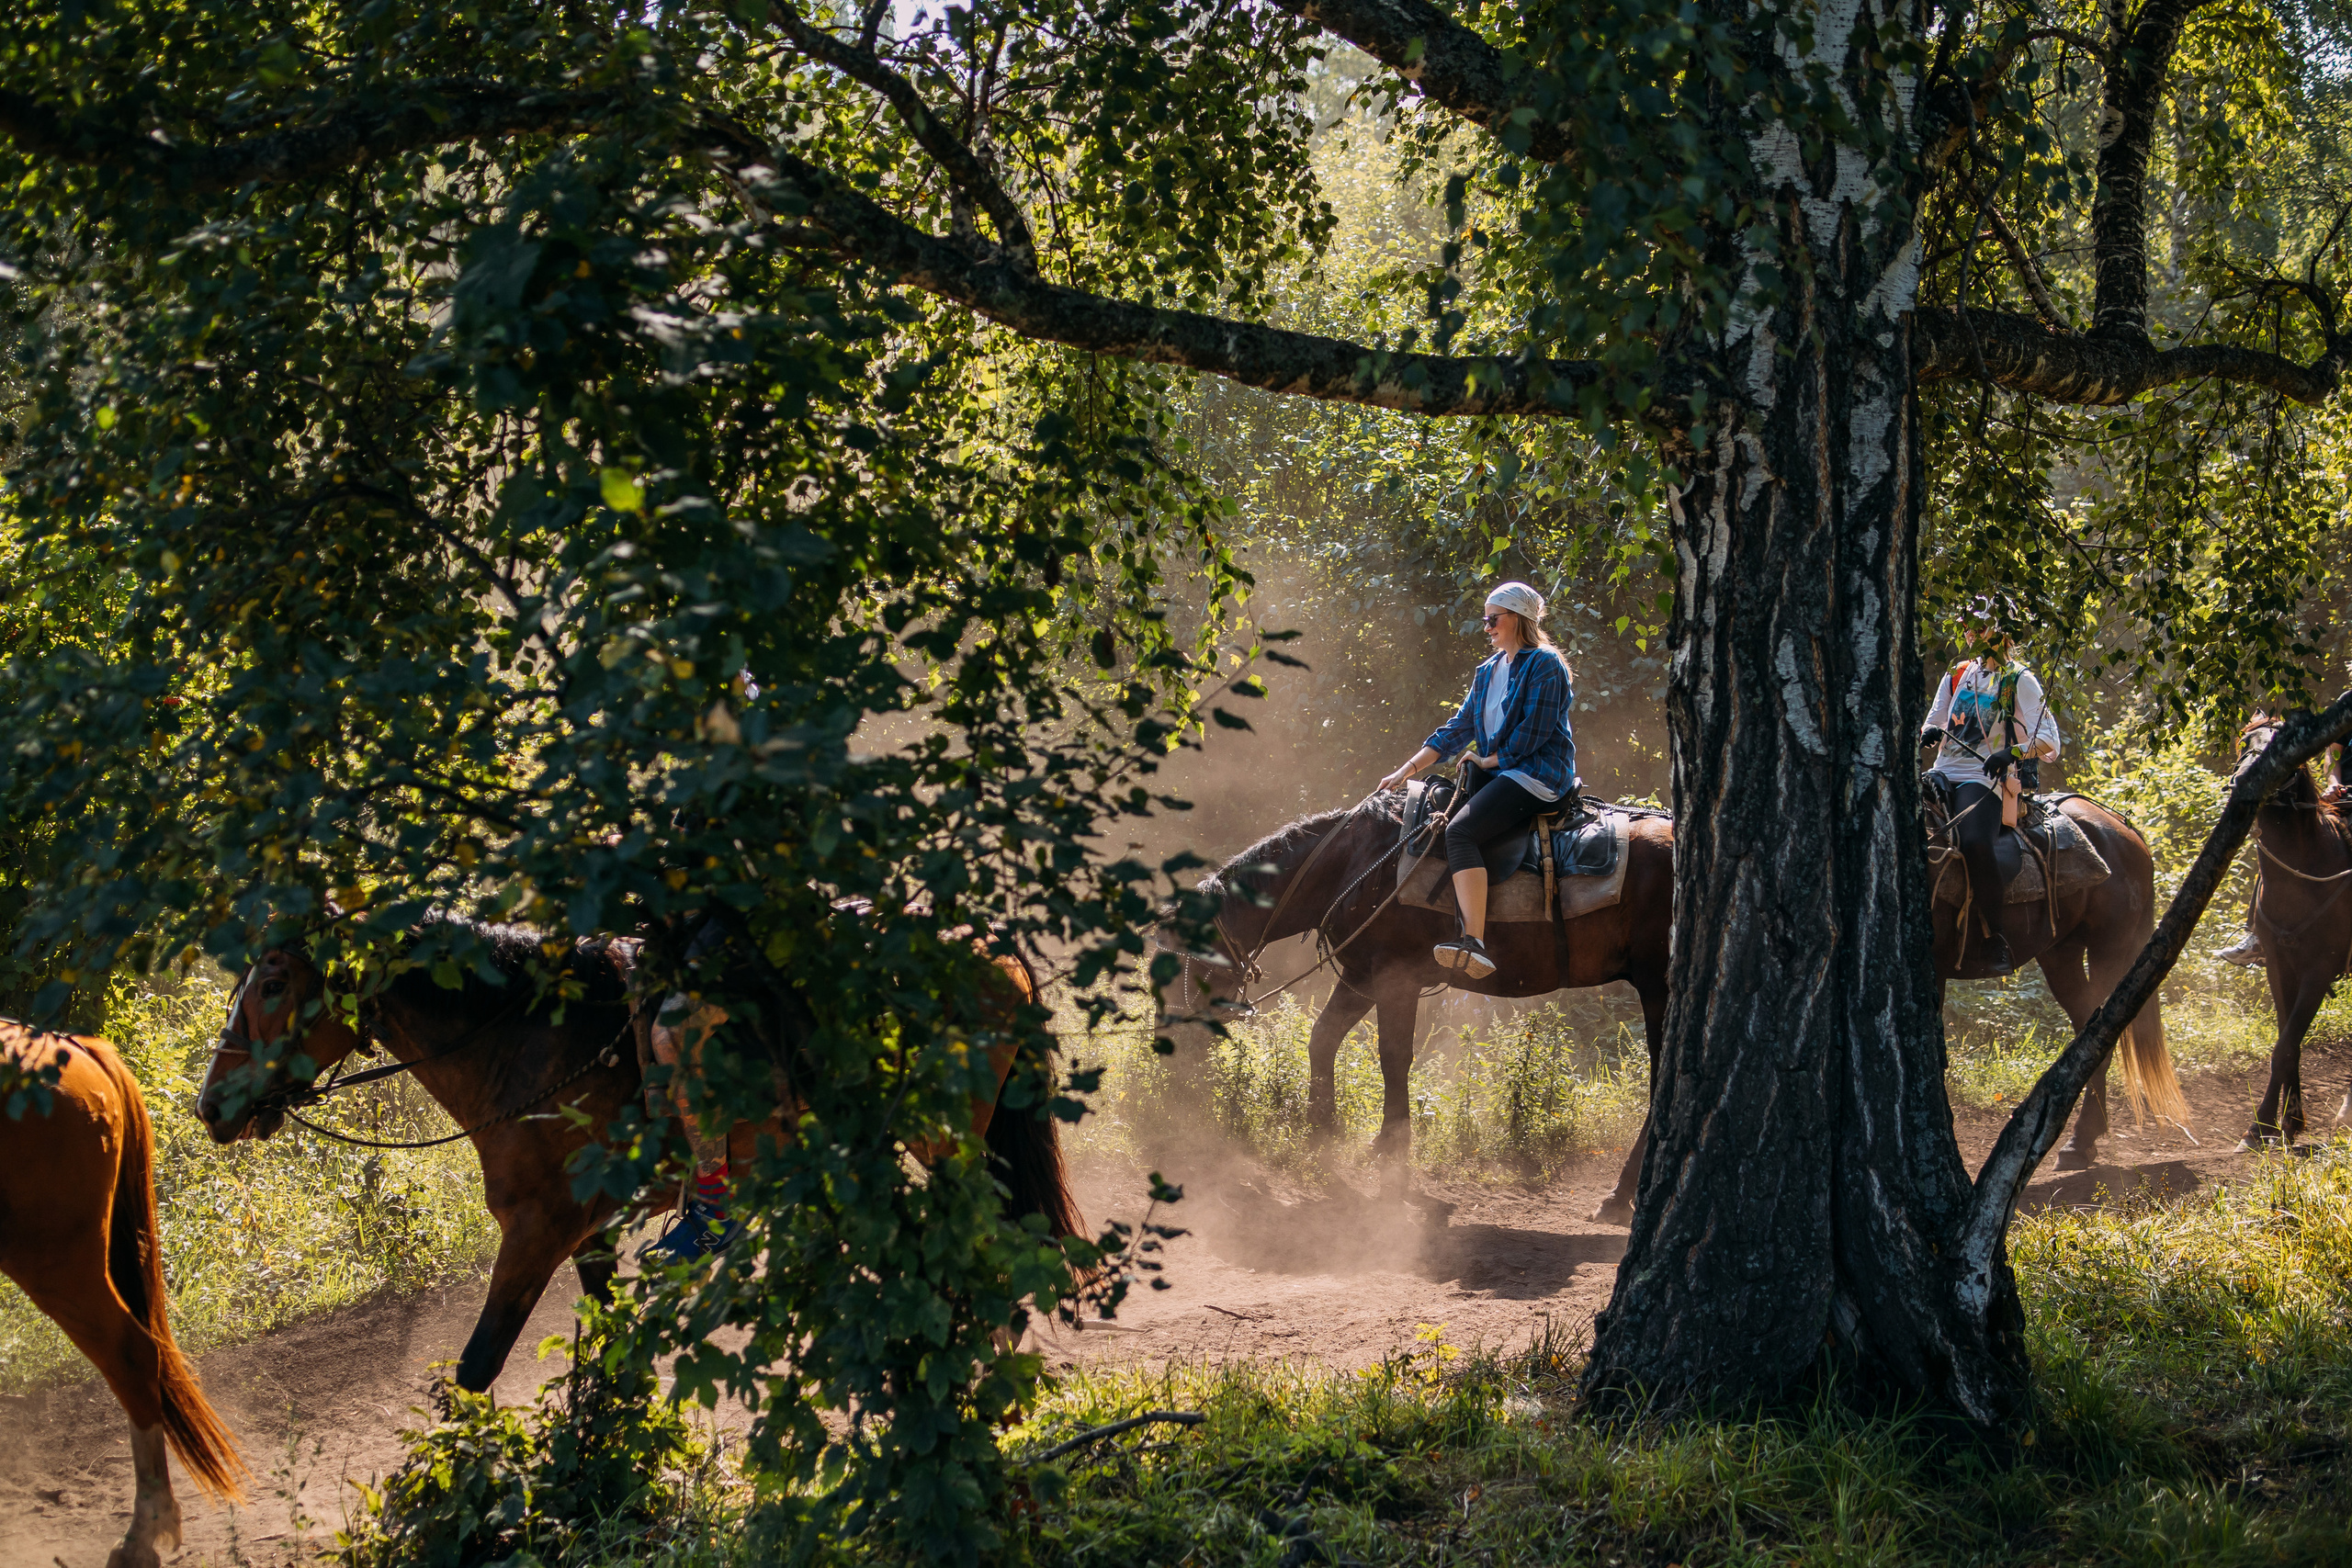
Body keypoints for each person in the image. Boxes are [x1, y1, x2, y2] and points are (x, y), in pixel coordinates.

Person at [1377, 581, 1577, 980]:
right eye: (1485, 620)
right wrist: (1405, 770)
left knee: (1461, 832)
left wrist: (1485, 760)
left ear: (1517, 619)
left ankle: (1474, 941)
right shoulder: (1487, 671)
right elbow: (1458, 727)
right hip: (1500, 771)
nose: (1486, 627)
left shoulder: (1546, 665)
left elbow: (1531, 736)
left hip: (1536, 775)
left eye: (1492, 619)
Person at [1919, 614, 2062, 974]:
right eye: (1967, 626)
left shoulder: (2020, 680)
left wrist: (2010, 753)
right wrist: (1929, 733)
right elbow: (1935, 719)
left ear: (2000, 633)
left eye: (1978, 627)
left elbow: (2050, 741)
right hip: (1940, 772)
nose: (1970, 633)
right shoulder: (1958, 672)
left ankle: (1994, 936)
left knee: (1976, 844)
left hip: (1981, 778)